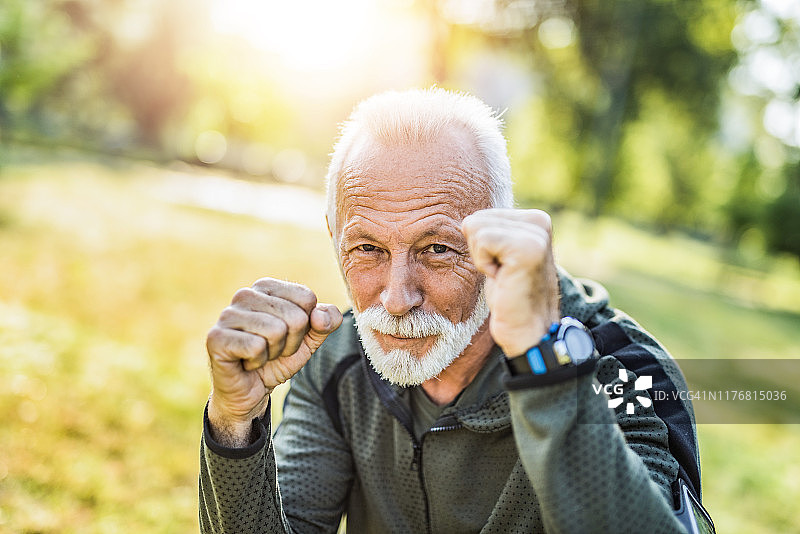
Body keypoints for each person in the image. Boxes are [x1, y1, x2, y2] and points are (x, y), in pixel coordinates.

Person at [199, 88, 713, 533]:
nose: (396, 299)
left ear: (500, 240)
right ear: (334, 241)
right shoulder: (335, 359)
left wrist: (547, 367)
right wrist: (234, 422)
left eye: (438, 249)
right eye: (368, 250)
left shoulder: (624, 367)